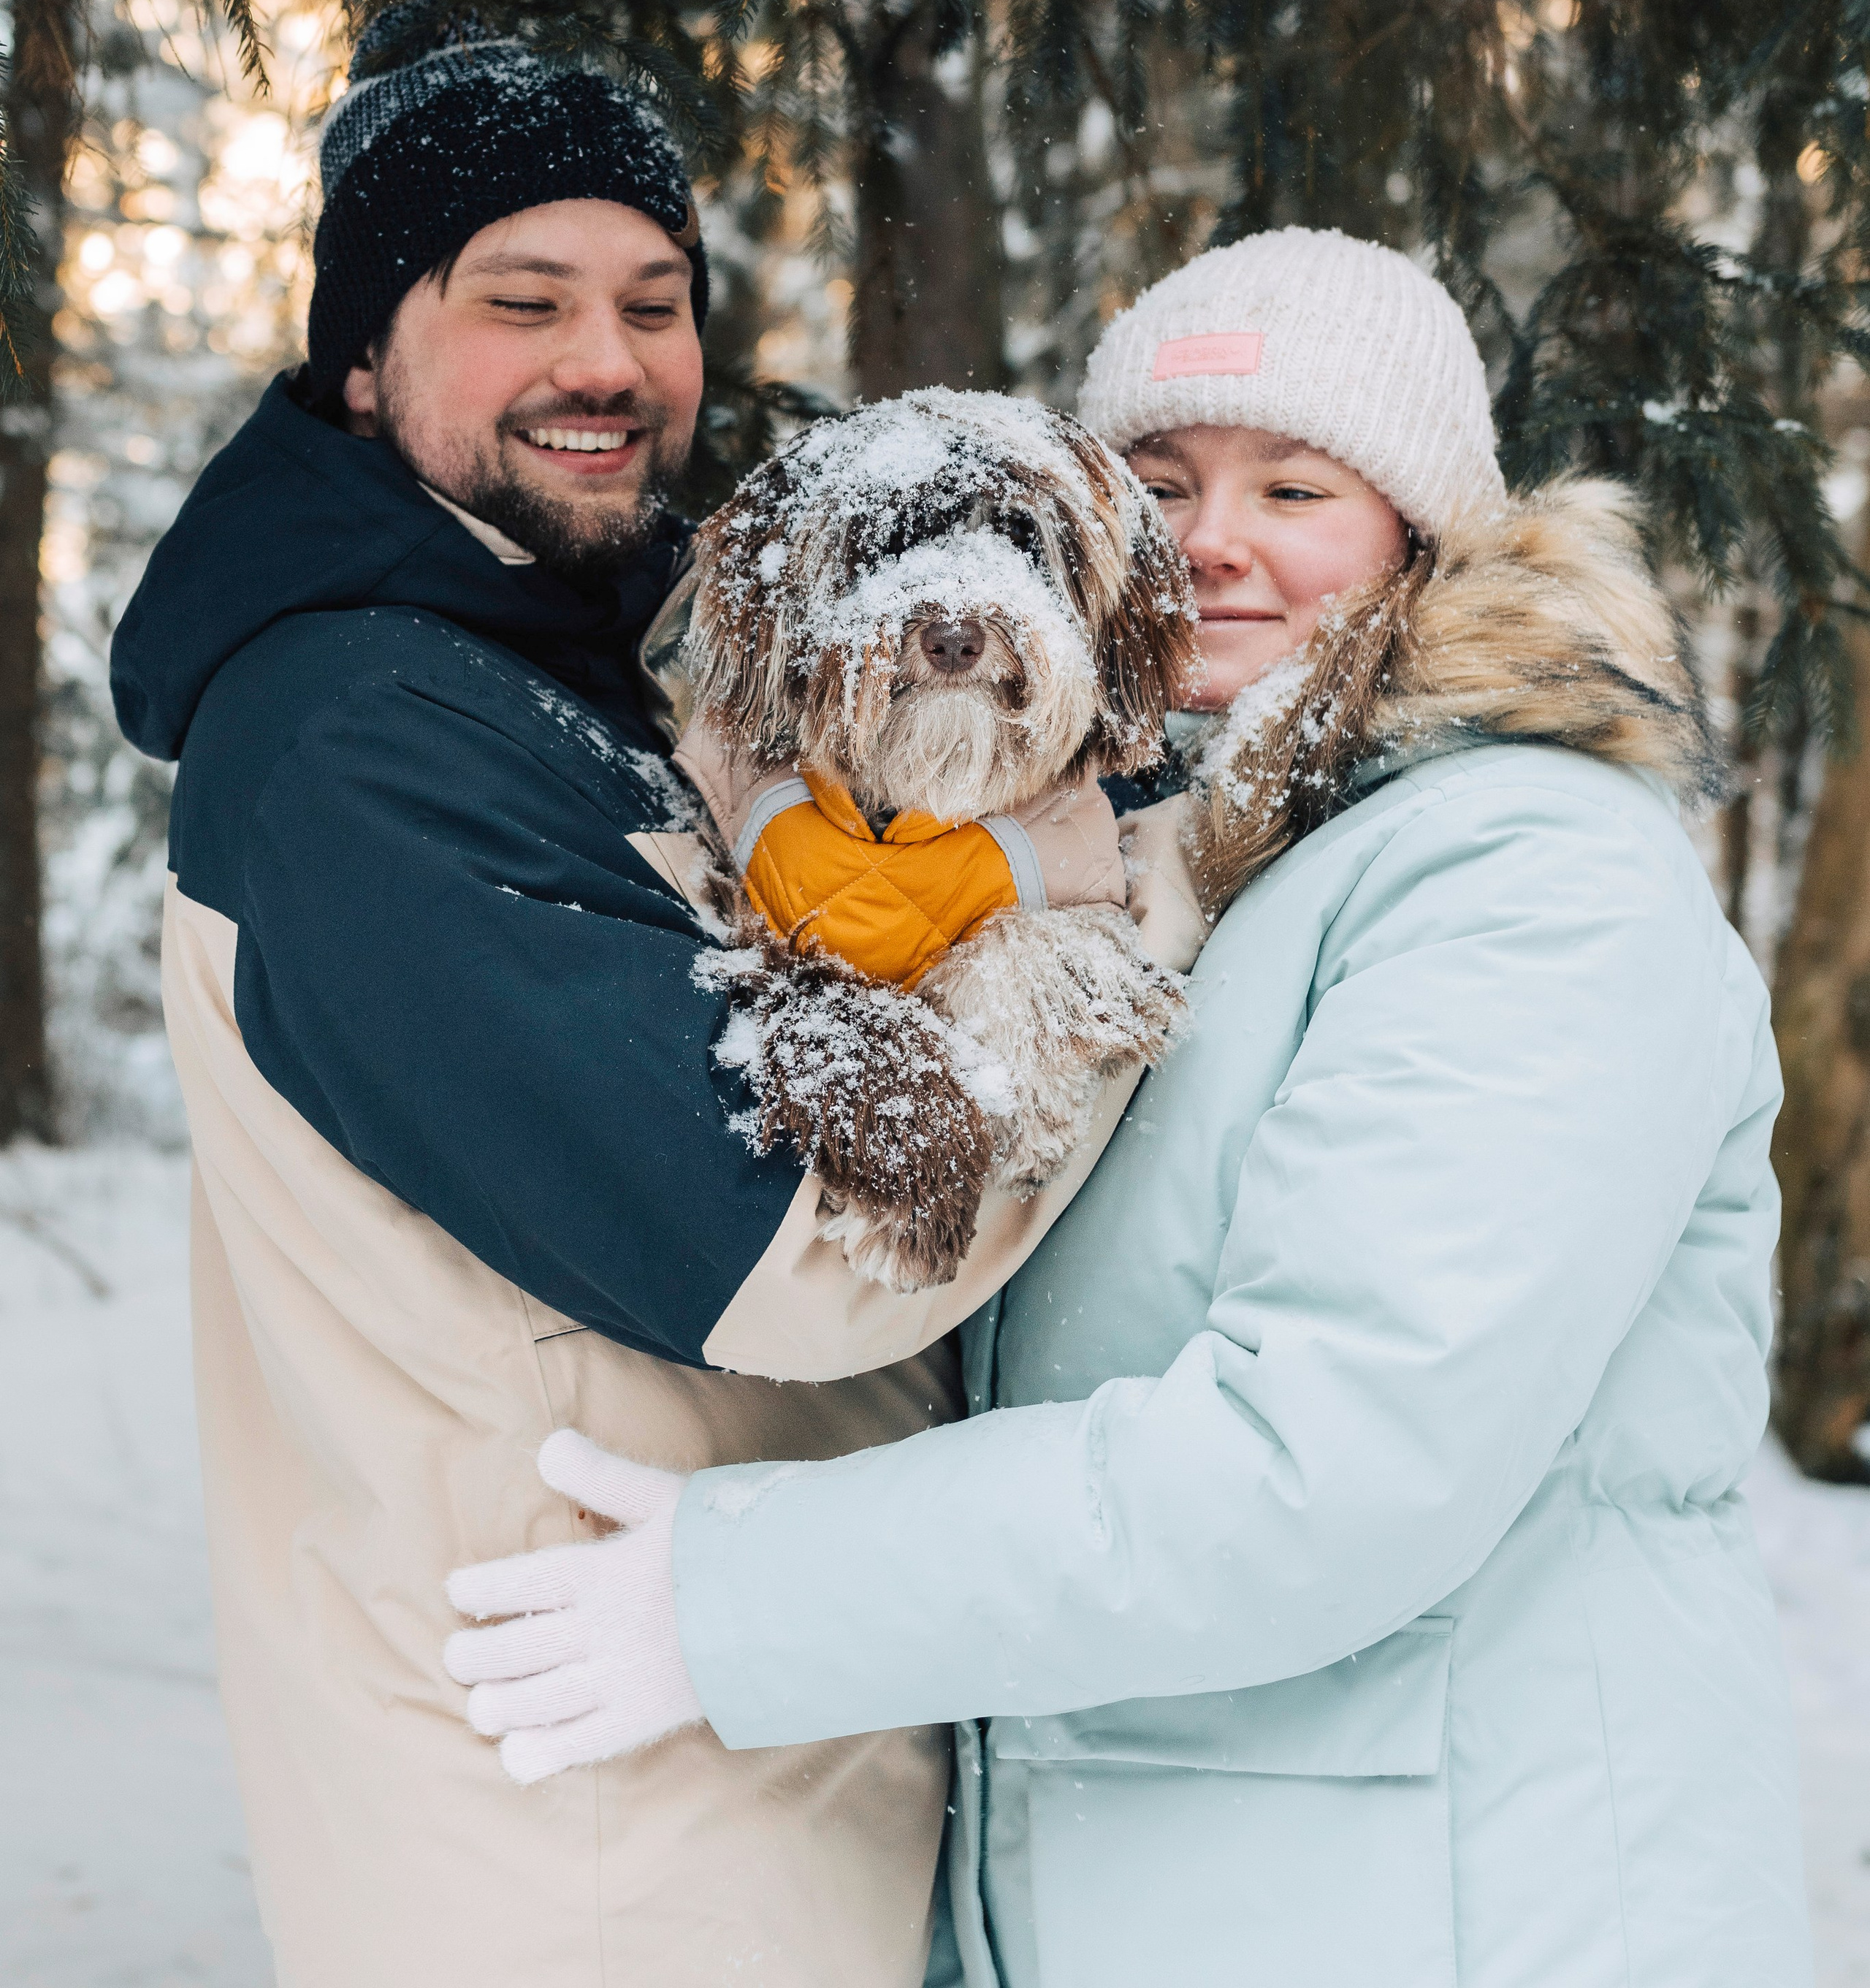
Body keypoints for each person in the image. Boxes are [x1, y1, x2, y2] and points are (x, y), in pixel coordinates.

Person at [449, 226, 1813, 1988]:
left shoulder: (1526, 873)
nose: (1213, 537)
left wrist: (743, 1595)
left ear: (1424, 533)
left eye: (1295, 486)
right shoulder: (1173, 866)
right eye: (1160, 483)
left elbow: (1328, 1467)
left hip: (1477, 1915)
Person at [107, 5, 1129, 1988]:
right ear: (362, 351)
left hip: (733, 1780)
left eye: (654, 302)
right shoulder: (352, 744)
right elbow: (812, 1240)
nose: (608, 361)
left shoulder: (549, 674)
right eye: (525, 299)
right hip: (581, 1855)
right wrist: (1092, 886)